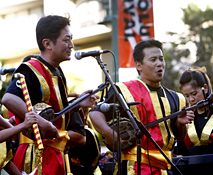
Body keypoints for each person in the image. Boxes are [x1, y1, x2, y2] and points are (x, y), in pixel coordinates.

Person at [1, 15, 99, 175]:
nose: (71, 45)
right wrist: (40, 122)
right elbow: (9, 99)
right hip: (35, 155)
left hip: (56, 156)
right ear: (47, 43)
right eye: (66, 40)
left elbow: (55, 115)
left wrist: (77, 104)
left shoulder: (57, 72)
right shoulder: (30, 68)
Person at [89, 39, 194, 175]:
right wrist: (109, 134)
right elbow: (95, 112)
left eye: (161, 59)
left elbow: (180, 137)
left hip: (165, 168)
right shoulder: (124, 90)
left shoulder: (176, 98)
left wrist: (181, 124)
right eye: (153, 59)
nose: (159, 64)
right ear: (139, 65)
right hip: (133, 168)